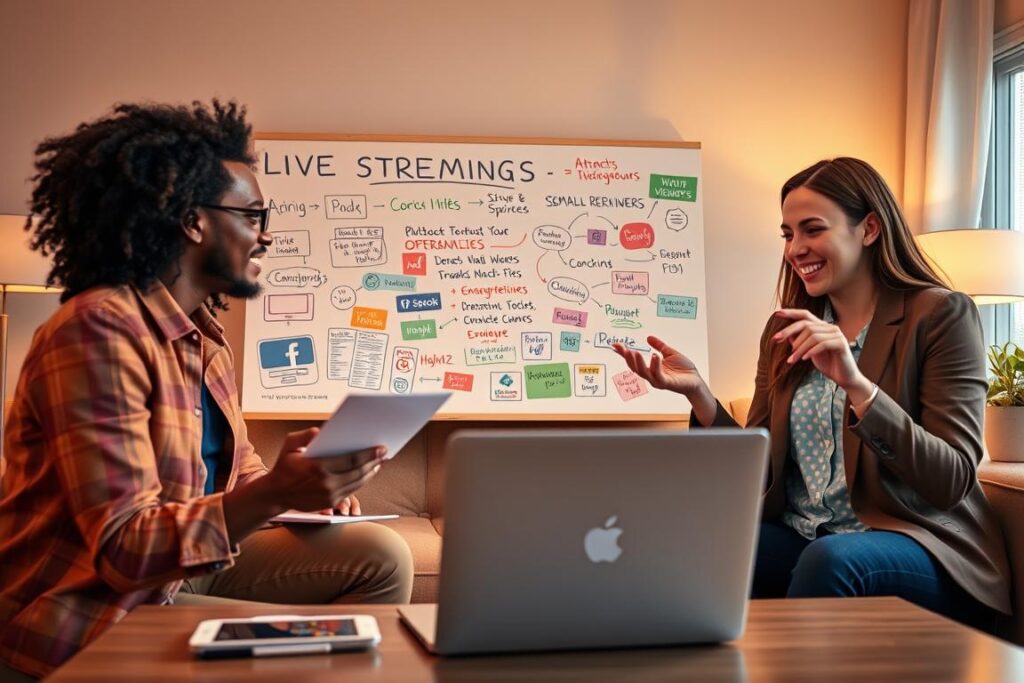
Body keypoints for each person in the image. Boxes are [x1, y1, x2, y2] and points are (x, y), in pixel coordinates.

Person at [0, 101, 413, 681]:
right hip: (91, 609)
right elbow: (123, 550)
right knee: (330, 634)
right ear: (194, 222)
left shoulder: (205, 343)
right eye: (252, 215)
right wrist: (272, 495)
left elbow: (237, 476)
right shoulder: (97, 330)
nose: (264, 237)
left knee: (379, 554)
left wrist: (300, 492)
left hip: (177, 572)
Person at [613, 157, 1010, 630]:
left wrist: (857, 385)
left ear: (869, 229)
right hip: (806, 533)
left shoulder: (940, 315)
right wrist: (699, 395)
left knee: (832, 560)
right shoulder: (786, 329)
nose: (796, 249)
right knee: (703, 547)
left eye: (812, 229)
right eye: (787, 234)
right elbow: (760, 467)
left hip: (919, 543)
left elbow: (952, 478)